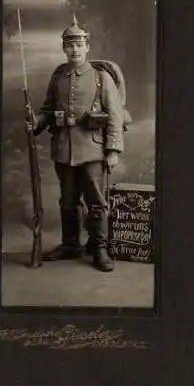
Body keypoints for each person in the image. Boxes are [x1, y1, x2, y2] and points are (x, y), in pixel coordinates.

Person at [29, 15, 124, 272]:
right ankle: (70, 244)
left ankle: (99, 247)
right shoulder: (59, 75)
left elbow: (114, 115)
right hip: (63, 149)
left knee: (96, 202)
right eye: (69, 45)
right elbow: (48, 109)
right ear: (63, 48)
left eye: (79, 44)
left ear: (87, 47)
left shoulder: (100, 78)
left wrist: (112, 149)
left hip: (92, 149)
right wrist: (36, 122)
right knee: (68, 201)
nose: (74, 49)